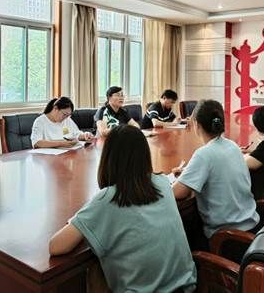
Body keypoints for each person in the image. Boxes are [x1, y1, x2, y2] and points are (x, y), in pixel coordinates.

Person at [49, 125, 196, 292]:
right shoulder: (162, 182)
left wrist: (80, 217)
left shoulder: (107, 199)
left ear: (108, 158)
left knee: (95, 271)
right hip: (187, 288)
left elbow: (56, 246)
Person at [172, 100, 259, 245]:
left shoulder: (204, 154)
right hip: (251, 227)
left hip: (226, 238)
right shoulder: (232, 145)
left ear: (196, 125)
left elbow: (178, 193)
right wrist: (189, 172)